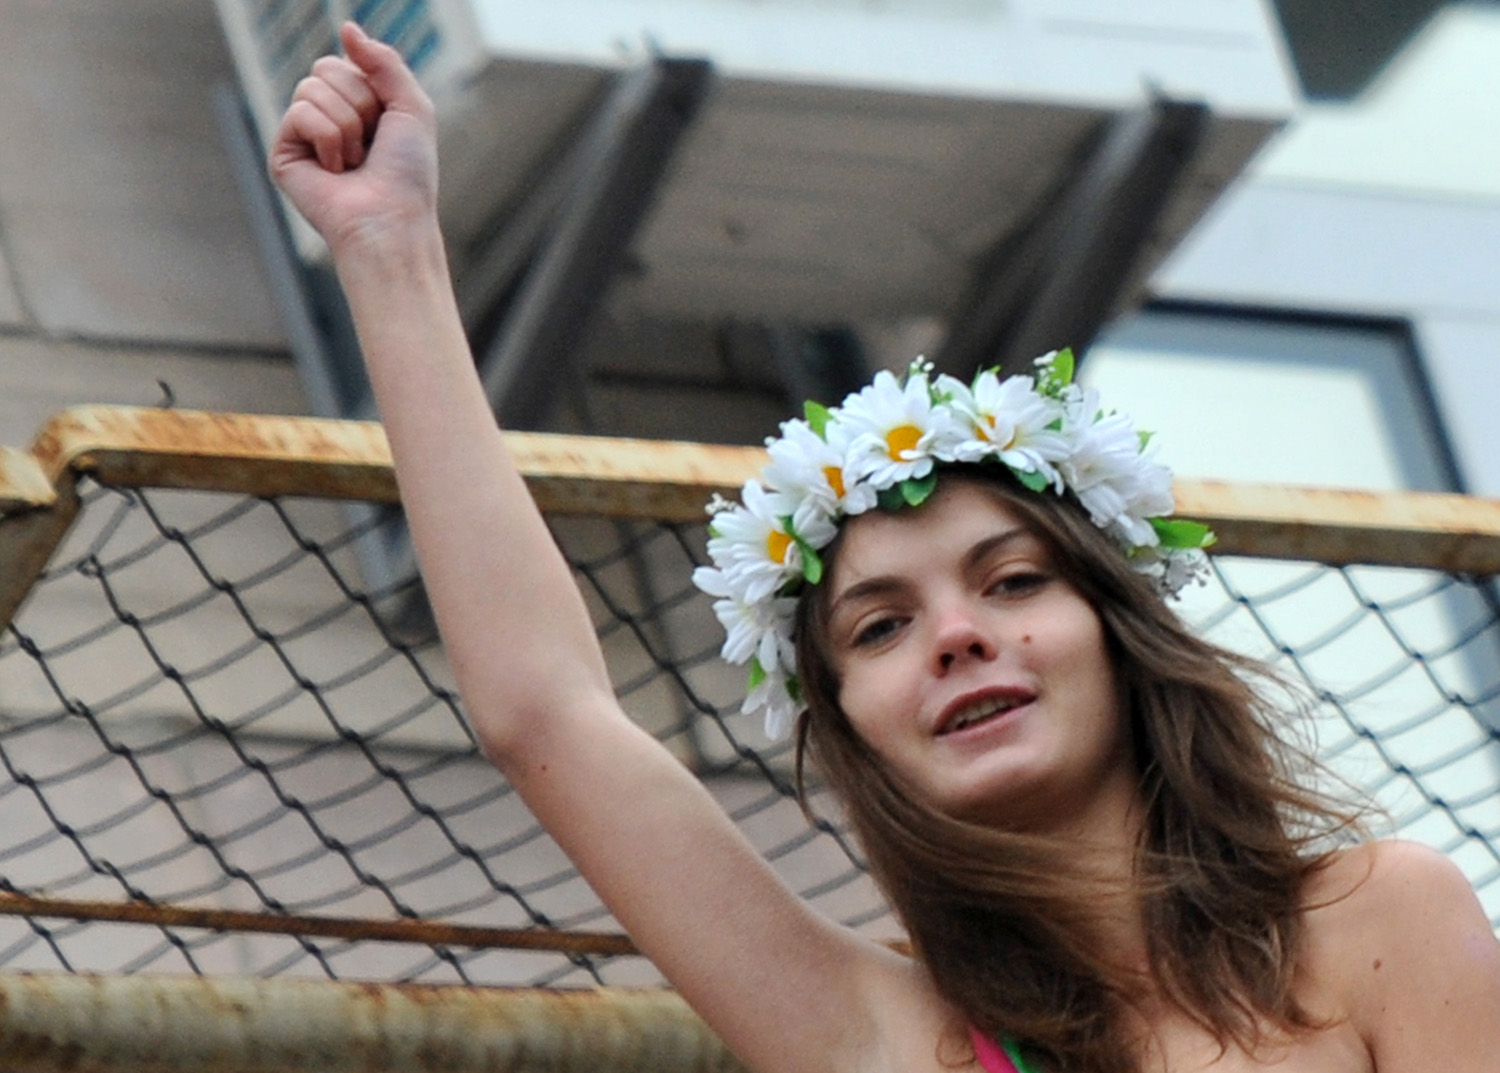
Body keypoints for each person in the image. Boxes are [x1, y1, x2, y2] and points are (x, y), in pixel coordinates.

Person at [270, 22, 1500, 1072]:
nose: (960, 635)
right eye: (880, 626)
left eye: (1012, 580)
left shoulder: (1379, 916)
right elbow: (544, 711)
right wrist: (390, 249)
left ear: (1119, 636)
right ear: (849, 720)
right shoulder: (880, 1036)